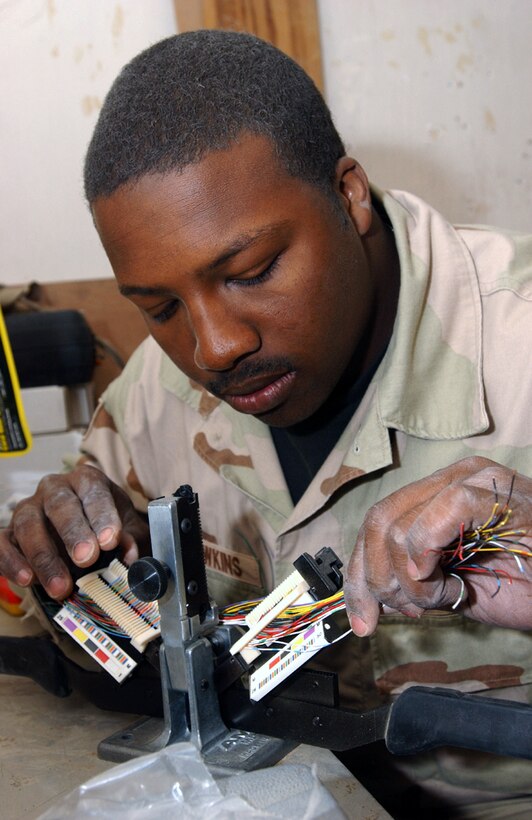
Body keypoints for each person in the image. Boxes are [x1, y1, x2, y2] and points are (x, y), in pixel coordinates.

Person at [2, 30, 532, 818]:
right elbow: (90, 655)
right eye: (160, 307)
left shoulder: (517, 343)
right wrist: (67, 571)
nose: (215, 348)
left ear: (348, 195)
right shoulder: (150, 398)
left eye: (250, 274)